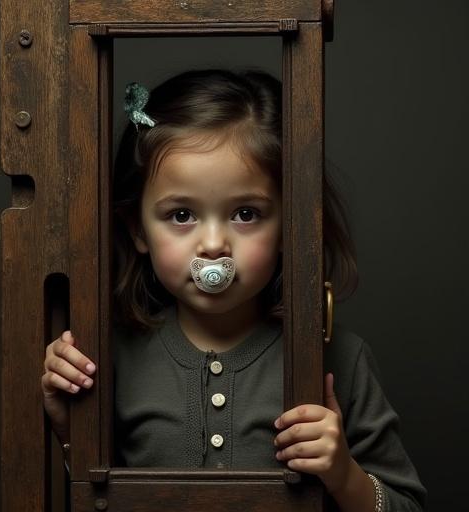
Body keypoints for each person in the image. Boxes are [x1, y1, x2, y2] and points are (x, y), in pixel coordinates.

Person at [42, 69, 426, 511]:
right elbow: (100, 497)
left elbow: (406, 505)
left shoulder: (341, 358)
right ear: (138, 230)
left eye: (245, 213)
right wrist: (72, 429)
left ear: (290, 225)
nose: (212, 245)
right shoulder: (110, 356)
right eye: (181, 215)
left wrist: (343, 473)